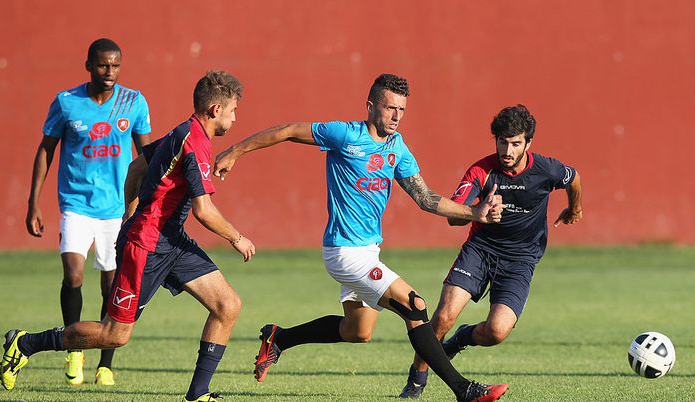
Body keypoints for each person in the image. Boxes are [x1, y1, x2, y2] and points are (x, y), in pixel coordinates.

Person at [213, 73, 508, 402]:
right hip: (344, 253)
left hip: (369, 253)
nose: (396, 116)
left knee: (357, 331)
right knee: (415, 305)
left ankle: (279, 338)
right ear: (370, 107)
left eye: (402, 110)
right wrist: (235, 151)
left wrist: (475, 212)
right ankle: (464, 390)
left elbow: (426, 198)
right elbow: (286, 131)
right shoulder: (344, 134)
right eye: (389, 107)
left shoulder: (397, 148)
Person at [1, 70, 256, 402]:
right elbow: (203, 210)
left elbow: (137, 167)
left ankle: (198, 394)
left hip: (171, 241)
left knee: (228, 305)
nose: (235, 118)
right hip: (147, 247)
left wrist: (130, 212)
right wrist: (237, 238)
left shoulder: (183, 133)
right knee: (114, 335)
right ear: (215, 110)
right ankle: (25, 343)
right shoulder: (193, 143)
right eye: (233, 110)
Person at [398, 104, 583, 398]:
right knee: (444, 316)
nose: (507, 150)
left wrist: (575, 209)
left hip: (521, 259)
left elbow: (573, 179)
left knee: (496, 332)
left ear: (528, 143)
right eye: (502, 142)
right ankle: (417, 377)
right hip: (480, 250)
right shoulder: (481, 171)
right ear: (495, 140)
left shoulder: (547, 169)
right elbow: (452, 216)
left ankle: (461, 339)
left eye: (515, 143)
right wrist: (477, 212)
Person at [24, 38, 152, 386]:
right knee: (74, 274)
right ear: (88, 65)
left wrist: (141, 204)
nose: (109, 71)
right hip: (76, 203)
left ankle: (105, 363)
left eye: (115, 65)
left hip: (116, 210)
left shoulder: (133, 102)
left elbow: (147, 157)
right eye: (102, 65)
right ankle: (73, 349)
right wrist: (33, 202)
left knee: (111, 287)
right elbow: (45, 151)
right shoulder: (67, 103)